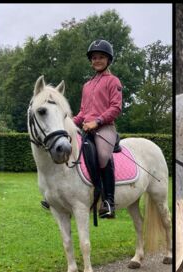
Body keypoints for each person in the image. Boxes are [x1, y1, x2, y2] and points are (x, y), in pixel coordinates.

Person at [42, 39, 122, 218]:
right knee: (63, 147)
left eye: (101, 57)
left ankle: (109, 201)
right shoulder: (87, 85)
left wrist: (98, 121)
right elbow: (83, 112)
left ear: (108, 60)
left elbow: (116, 108)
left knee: (103, 156)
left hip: (105, 128)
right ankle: (55, 195)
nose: (97, 60)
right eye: (94, 58)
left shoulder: (113, 81)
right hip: (86, 128)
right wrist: (68, 122)